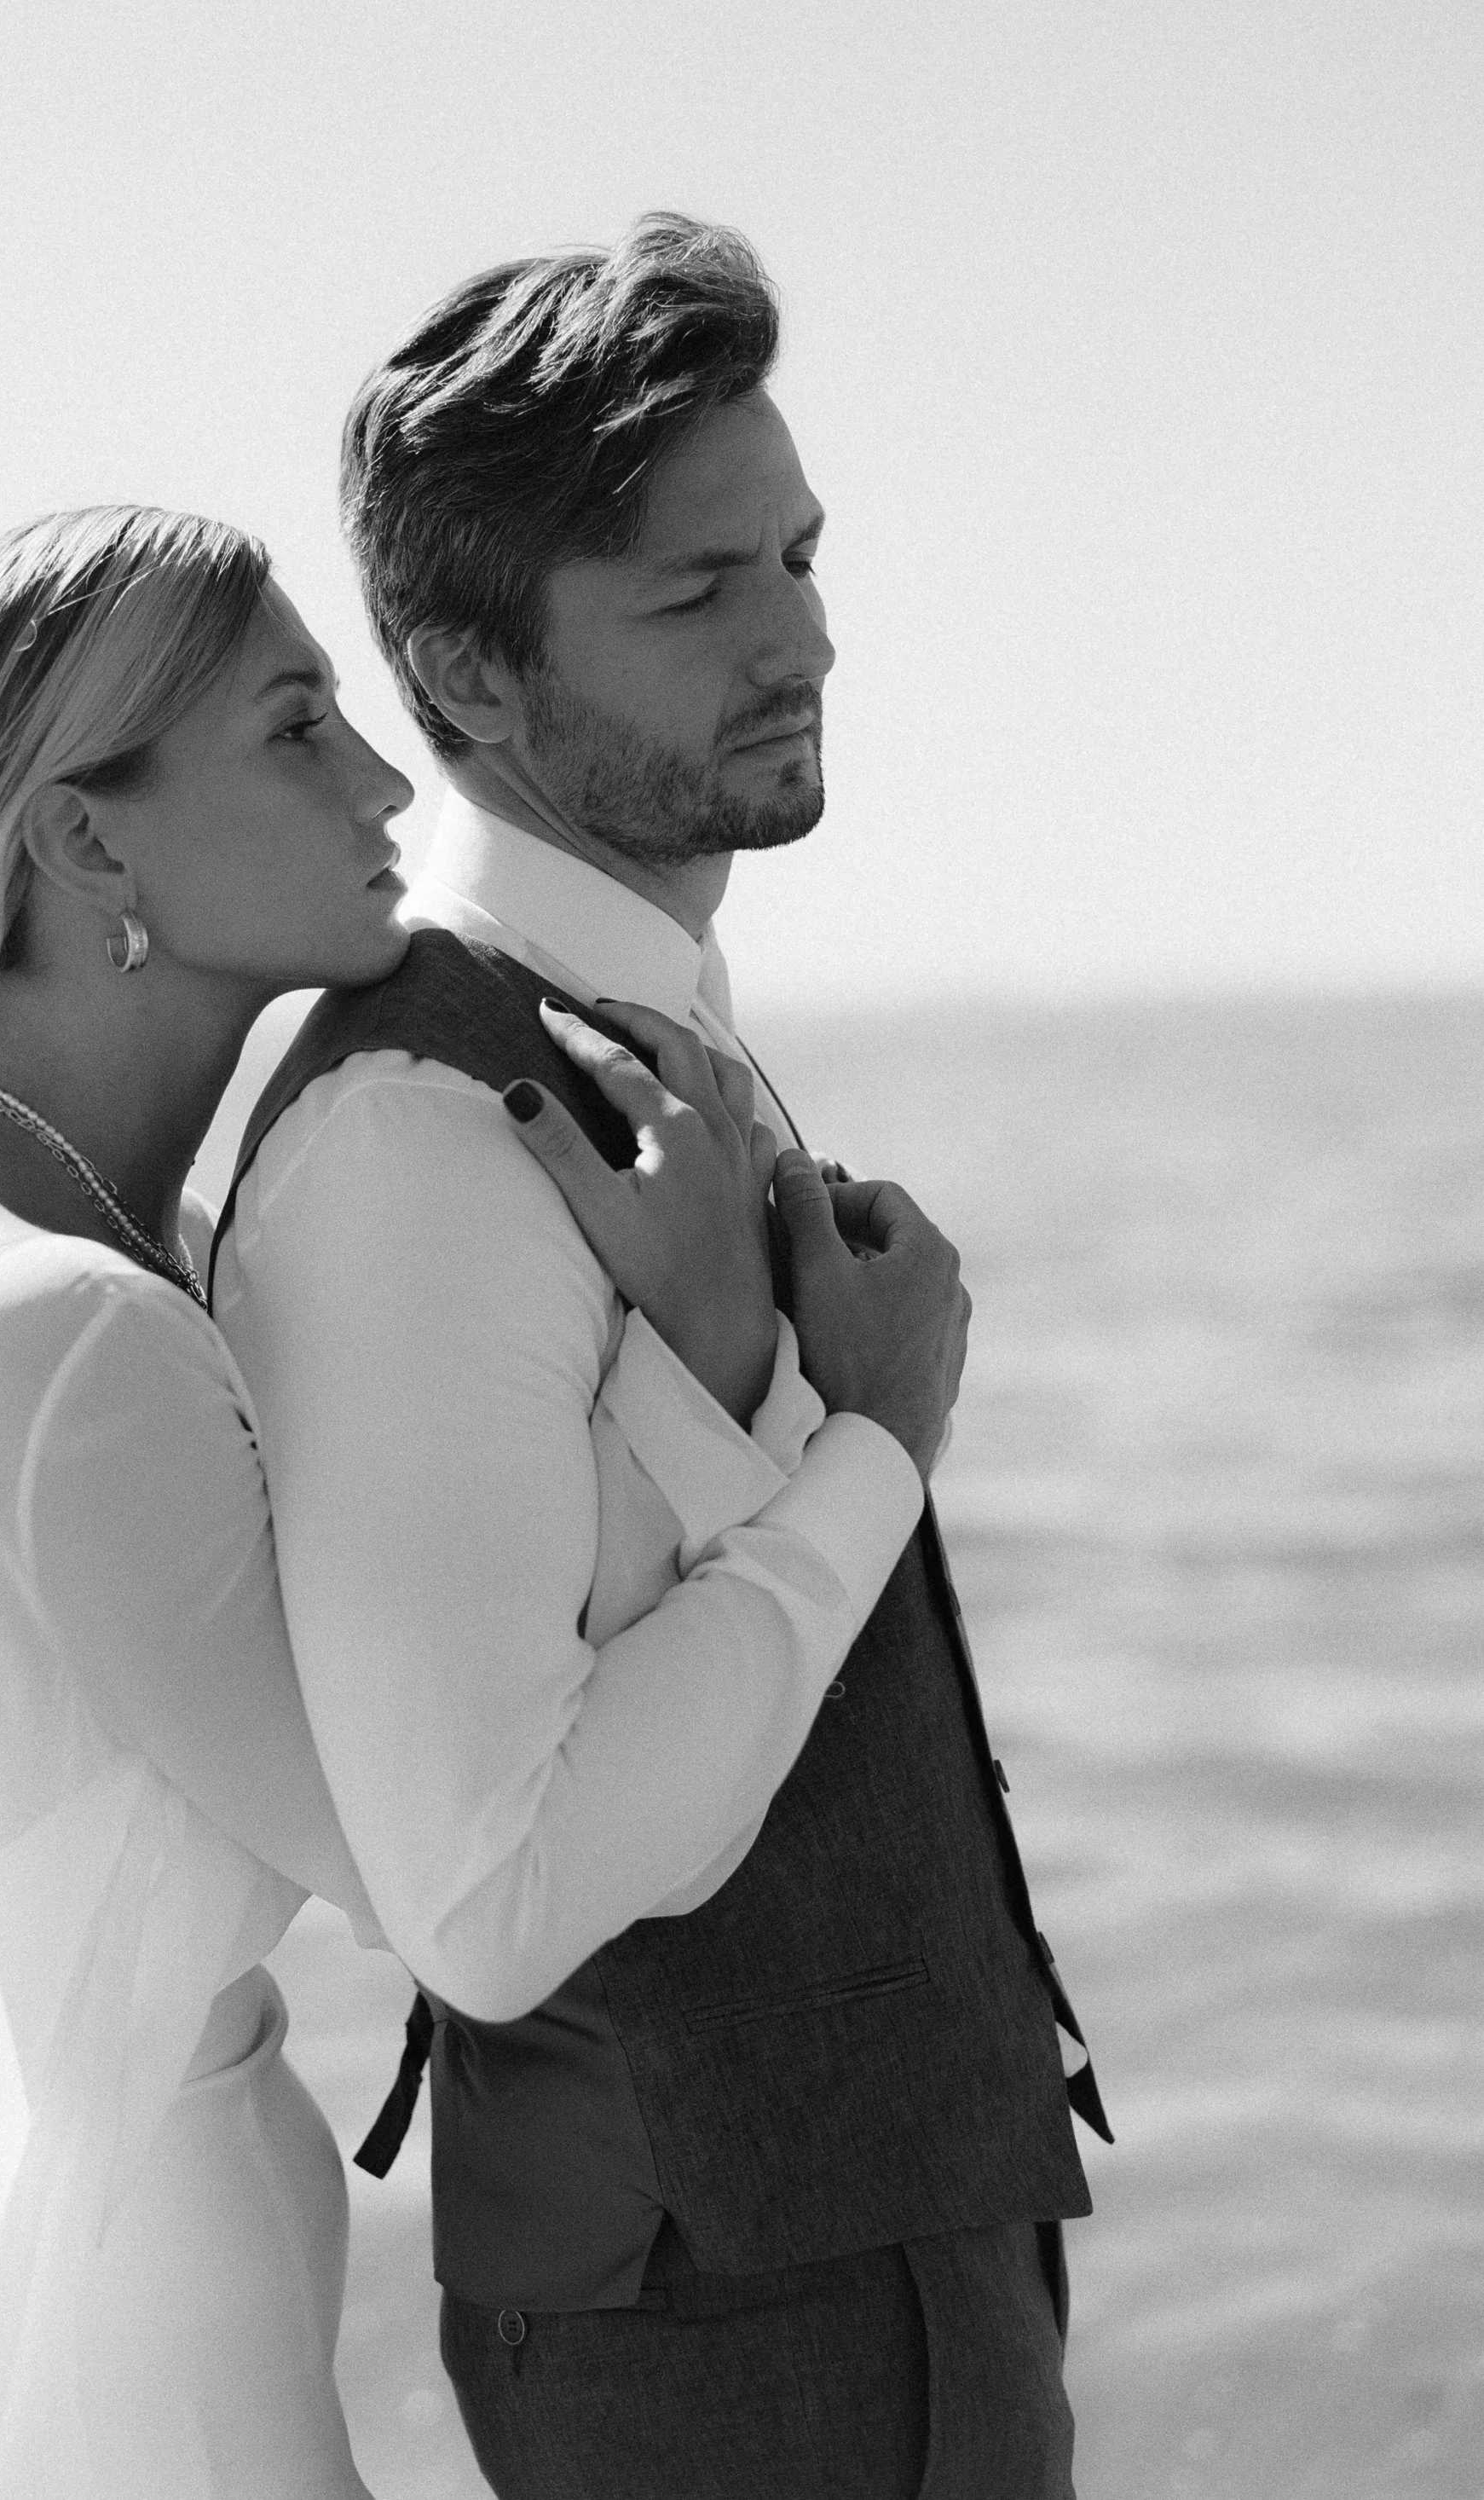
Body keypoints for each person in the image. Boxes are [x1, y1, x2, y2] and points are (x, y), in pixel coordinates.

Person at [0, 501, 966, 2498]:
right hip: (111, 2345)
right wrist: (811, 1416)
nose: (376, 779)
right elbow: (481, 1884)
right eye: (289, 729)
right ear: (90, 844)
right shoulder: (65, 1337)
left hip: (35, 2230)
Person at [213, 216, 1114, 2499]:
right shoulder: (419, 1136)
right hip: (724, 2338)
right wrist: (877, 1435)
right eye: (695, 592)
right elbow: (490, 1894)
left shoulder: (657, 1037)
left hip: (895, 2243)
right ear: (470, 669)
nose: (803, 631)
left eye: (797, 556)